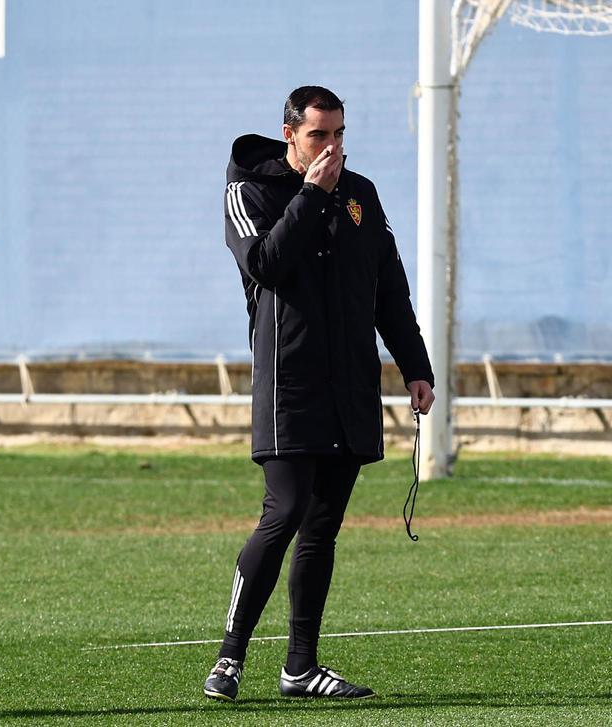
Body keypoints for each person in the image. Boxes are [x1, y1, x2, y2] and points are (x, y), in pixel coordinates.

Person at [203, 85, 435, 702]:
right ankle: (230, 657)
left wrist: (416, 366)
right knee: (283, 512)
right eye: (318, 136)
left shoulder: (362, 195)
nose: (331, 148)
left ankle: (300, 668)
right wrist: (311, 195)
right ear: (289, 136)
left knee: (323, 527)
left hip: (351, 384)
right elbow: (267, 265)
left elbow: (388, 286)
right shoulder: (250, 191)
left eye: (338, 135)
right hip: (290, 384)